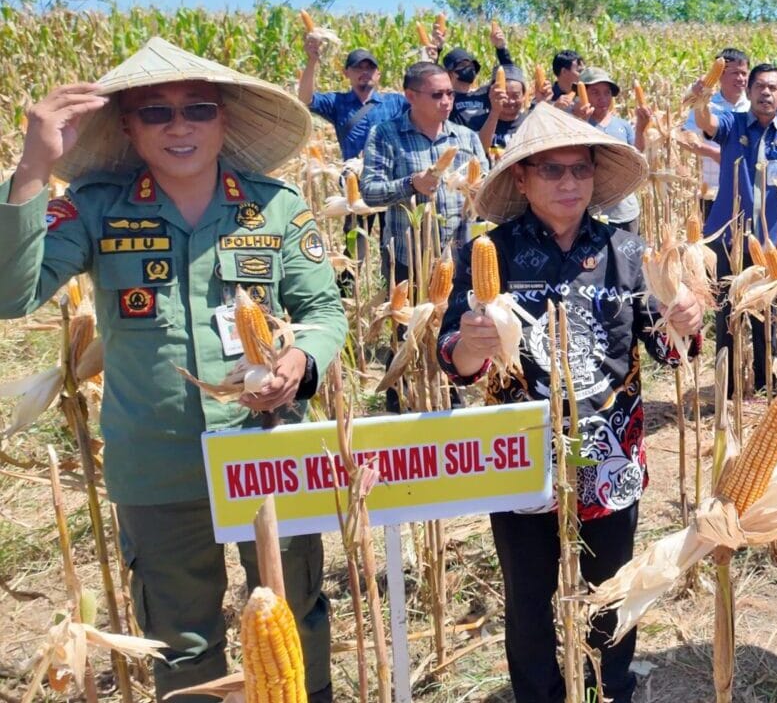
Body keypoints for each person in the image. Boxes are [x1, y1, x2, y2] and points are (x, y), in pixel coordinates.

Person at [0, 38, 348, 702]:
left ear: (224, 120)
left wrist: (300, 362)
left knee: (294, 621)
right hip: (156, 465)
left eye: (197, 108)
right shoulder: (94, 207)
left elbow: (324, 311)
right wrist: (31, 171)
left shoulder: (274, 207)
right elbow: (9, 296)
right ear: (128, 127)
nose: (179, 124)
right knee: (183, 642)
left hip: (267, 450)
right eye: (155, 112)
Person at [438, 104, 702, 703]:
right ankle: (538, 693)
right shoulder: (490, 253)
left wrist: (683, 321)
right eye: (551, 171)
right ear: (523, 180)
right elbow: (452, 355)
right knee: (529, 594)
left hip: (608, 451)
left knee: (612, 590)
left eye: (579, 170)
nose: (568, 183)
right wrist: (470, 346)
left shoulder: (627, 252)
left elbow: (667, 350)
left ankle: (612, 688)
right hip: (523, 452)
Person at [690, 62, 777, 393]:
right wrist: (699, 101)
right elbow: (706, 122)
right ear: (749, 93)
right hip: (726, 236)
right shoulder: (732, 124)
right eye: (759, 87)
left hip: (769, 242)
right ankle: (728, 383)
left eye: (773, 88)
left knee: (764, 315)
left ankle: (765, 376)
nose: (766, 93)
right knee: (727, 313)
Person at [359, 62, 490, 284]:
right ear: (411, 96)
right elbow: (370, 192)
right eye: (437, 95)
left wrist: (480, 192)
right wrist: (411, 184)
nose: (447, 101)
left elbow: (487, 191)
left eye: (450, 93)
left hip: (461, 260)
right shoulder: (385, 135)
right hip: (408, 262)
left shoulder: (467, 137)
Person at [297, 44, 409, 159]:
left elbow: (426, 108)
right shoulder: (336, 102)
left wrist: (429, 58)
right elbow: (305, 100)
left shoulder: (396, 102)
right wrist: (312, 61)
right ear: (346, 73)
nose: (365, 72)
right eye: (358, 68)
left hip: (390, 174)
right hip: (354, 174)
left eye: (370, 68)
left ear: (378, 74)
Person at [681, 49, 750, 221]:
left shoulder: (752, 107)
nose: (741, 78)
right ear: (720, 75)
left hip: (744, 191)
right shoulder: (706, 105)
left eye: (744, 73)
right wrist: (714, 154)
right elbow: (683, 138)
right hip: (711, 191)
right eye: (735, 73)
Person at [581, 67, 643, 233]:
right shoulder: (577, 125)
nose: (602, 98)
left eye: (607, 93)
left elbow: (637, 159)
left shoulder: (622, 125)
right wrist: (580, 125)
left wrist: (641, 128)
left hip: (626, 209)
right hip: (592, 212)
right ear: (583, 94)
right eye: (595, 93)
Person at [479, 63, 529, 151]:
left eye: (516, 95)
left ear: (524, 96)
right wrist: (495, 111)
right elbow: (480, 149)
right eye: (504, 95)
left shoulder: (529, 122)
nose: (510, 101)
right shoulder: (478, 122)